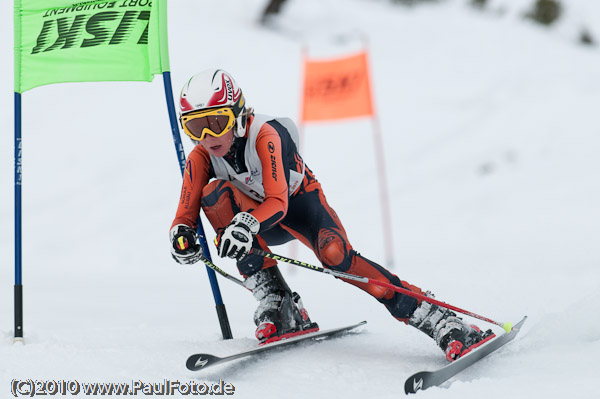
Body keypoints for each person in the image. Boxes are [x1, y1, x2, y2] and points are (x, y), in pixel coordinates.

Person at [169, 69, 493, 361]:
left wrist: (246, 224)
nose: (207, 136)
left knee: (337, 257)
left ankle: (434, 316)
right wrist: (181, 236)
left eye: (216, 122)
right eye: (195, 126)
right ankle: (277, 302)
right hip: (255, 222)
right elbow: (185, 212)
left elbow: (278, 202)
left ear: (238, 115)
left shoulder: (266, 134)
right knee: (213, 196)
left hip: (298, 207)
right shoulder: (201, 155)